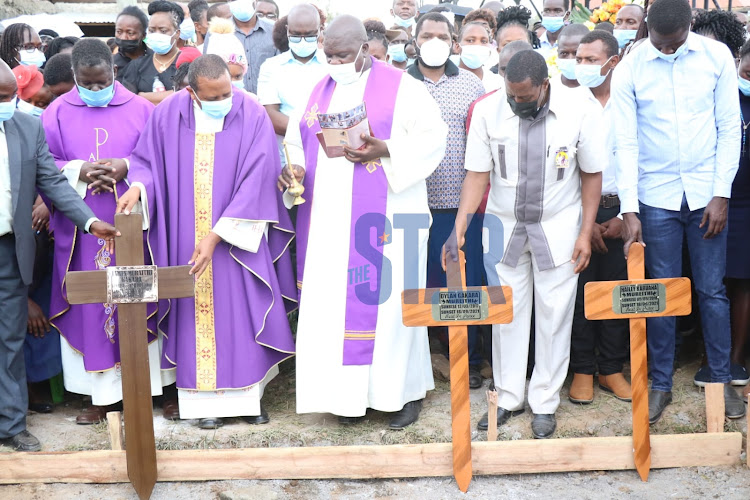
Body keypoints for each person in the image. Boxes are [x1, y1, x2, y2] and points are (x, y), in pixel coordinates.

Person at [281, 15, 447, 429]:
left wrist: (385, 149)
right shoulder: (317, 89)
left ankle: (400, 394)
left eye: (341, 55)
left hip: (389, 215)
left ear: (363, 50)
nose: (333, 61)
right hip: (329, 221)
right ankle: (346, 398)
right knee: (335, 307)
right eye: (328, 54)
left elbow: (433, 139)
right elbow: (295, 142)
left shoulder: (403, 87)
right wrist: (295, 171)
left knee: (391, 308)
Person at [116, 54, 296, 429]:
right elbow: (146, 161)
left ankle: (249, 398)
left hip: (236, 240)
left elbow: (259, 176)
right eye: (212, 97)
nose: (222, 102)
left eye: (226, 92)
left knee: (242, 311)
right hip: (184, 234)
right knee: (191, 310)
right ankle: (202, 406)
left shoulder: (250, 111)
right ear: (191, 93)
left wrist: (217, 236)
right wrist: (137, 186)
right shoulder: (167, 114)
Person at [448, 49, 603, 439]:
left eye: (525, 97)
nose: (516, 103)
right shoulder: (487, 111)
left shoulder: (579, 110)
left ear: (544, 86)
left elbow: (591, 175)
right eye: (511, 95)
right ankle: (509, 398)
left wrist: (585, 232)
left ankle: (545, 403)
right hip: (504, 230)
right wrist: (460, 227)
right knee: (506, 317)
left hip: (559, 230)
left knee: (554, 316)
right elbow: (476, 175)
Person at [611, 0, 746, 423]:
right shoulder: (631, 66)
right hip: (655, 195)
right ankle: (661, 384)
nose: (667, 51)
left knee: (711, 291)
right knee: (662, 291)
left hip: (706, 193)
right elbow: (625, 140)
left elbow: (728, 127)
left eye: (675, 44)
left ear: (689, 27)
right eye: (659, 43)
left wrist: (721, 194)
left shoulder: (716, 56)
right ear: (647, 28)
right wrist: (629, 208)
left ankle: (721, 382)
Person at [41, 39, 167, 424]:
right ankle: (98, 395)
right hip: (82, 230)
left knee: (135, 297)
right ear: (75, 78)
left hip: (133, 226)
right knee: (92, 304)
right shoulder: (56, 113)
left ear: (114, 72)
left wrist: (127, 167)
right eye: (86, 84)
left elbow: (159, 161)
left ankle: (149, 389)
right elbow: (45, 163)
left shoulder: (143, 109)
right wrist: (78, 170)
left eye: (102, 82)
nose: (95, 91)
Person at [0, 58, 117, 451]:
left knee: (10, 340)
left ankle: (12, 425)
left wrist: (88, 222)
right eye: (0, 98)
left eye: (11, 96)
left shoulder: (27, 126)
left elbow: (51, 180)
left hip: (9, 249)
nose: (8, 103)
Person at [408, 13, 487, 389]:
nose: (434, 41)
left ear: (454, 41)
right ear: (414, 38)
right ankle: (421, 360)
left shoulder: (470, 84)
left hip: (459, 206)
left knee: (462, 282)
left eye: (441, 35)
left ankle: (464, 359)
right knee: (418, 283)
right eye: (427, 35)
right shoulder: (398, 84)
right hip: (411, 203)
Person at [567, 30, 631, 405]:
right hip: (575, 211)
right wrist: (583, 221)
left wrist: (624, 214)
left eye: (592, 59)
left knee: (616, 292)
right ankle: (582, 370)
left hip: (620, 211)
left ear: (613, 62)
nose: (584, 65)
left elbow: (641, 159)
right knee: (580, 293)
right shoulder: (568, 101)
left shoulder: (629, 101)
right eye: (580, 58)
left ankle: (611, 369)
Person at [257, 3, 327, 157]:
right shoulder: (271, 67)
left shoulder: (331, 66)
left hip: (324, 153)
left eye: (309, 35)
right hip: (286, 153)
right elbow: (270, 114)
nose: (302, 40)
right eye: (296, 34)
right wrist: (313, 132)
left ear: (320, 31)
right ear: (288, 30)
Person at [728, 41, 750, 400]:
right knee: (719, 283)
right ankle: (719, 354)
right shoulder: (726, 96)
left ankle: (737, 357)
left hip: (749, 204)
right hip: (719, 201)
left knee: (744, 281)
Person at [120, 0, 184, 105]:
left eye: (163, 31)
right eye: (152, 30)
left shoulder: (187, 64)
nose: (156, 35)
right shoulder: (137, 65)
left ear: (177, 33)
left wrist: (142, 96)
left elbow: (188, 97)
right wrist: (172, 94)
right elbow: (129, 102)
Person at [224, 0, 279, 93]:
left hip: (268, 101)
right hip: (231, 100)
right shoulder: (217, 32)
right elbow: (211, 71)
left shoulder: (274, 30)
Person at [204, 18, 251, 91]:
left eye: (238, 77)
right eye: (227, 77)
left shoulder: (250, 100)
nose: (233, 83)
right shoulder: (202, 100)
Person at [458, 21, 502, 92]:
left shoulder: (498, 84)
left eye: (483, 41)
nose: (477, 45)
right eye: (471, 40)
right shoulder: (446, 81)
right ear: (457, 46)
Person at [113, 6, 149, 80]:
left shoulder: (155, 61)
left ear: (143, 35)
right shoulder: (110, 65)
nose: (123, 37)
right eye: (119, 32)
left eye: (130, 33)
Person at [554, 23, 590, 89]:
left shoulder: (601, 89)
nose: (570, 59)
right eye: (564, 53)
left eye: (576, 53)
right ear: (557, 52)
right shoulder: (548, 88)